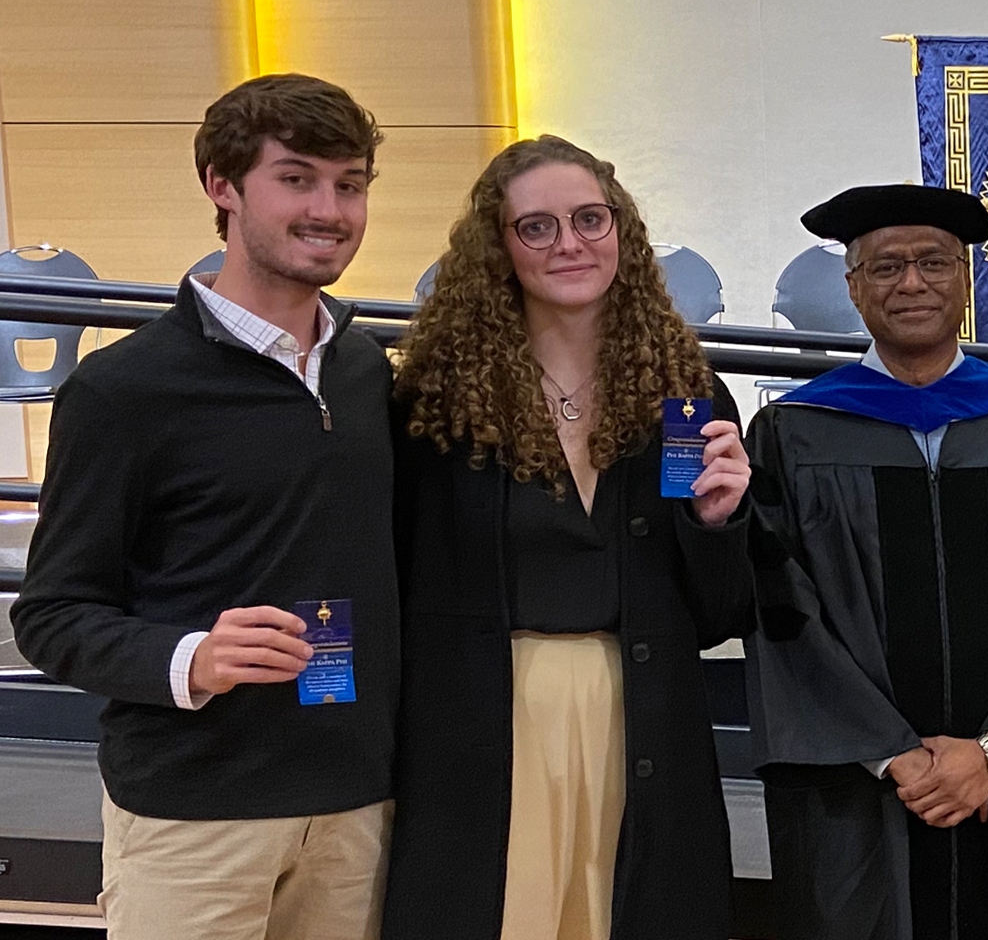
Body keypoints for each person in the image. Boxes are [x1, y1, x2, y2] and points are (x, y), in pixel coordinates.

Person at [12, 75, 394, 940]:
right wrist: (193, 656)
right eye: (295, 178)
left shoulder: (367, 373)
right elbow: (53, 615)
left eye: (350, 183)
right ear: (221, 186)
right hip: (194, 815)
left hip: (355, 807)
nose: (329, 209)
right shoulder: (123, 390)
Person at [379, 135, 753, 940]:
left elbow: (721, 615)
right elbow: (395, 578)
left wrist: (717, 524)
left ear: (622, 229)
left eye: (590, 218)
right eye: (537, 227)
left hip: (644, 720)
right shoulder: (433, 406)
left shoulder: (685, 397)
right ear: (497, 249)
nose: (572, 243)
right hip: (485, 724)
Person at [744, 183, 988, 940]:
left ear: (966, 278)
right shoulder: (794, 433)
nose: (911, 283)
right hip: (859, 789)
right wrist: (894, 756)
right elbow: (780, 609)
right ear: (853, 288)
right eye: (884, 268)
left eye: (933, 263)